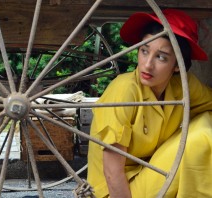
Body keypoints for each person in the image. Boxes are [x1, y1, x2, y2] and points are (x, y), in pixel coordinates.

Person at [87, 9, 212, 198]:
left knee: (206, 121)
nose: (147, 65)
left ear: (178, 65)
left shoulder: (183, 87)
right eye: (144, 51)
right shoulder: (124, 90)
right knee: (201, 138)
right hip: (119, 189)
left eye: (161, 57)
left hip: (150, 172)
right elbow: (112, 173)